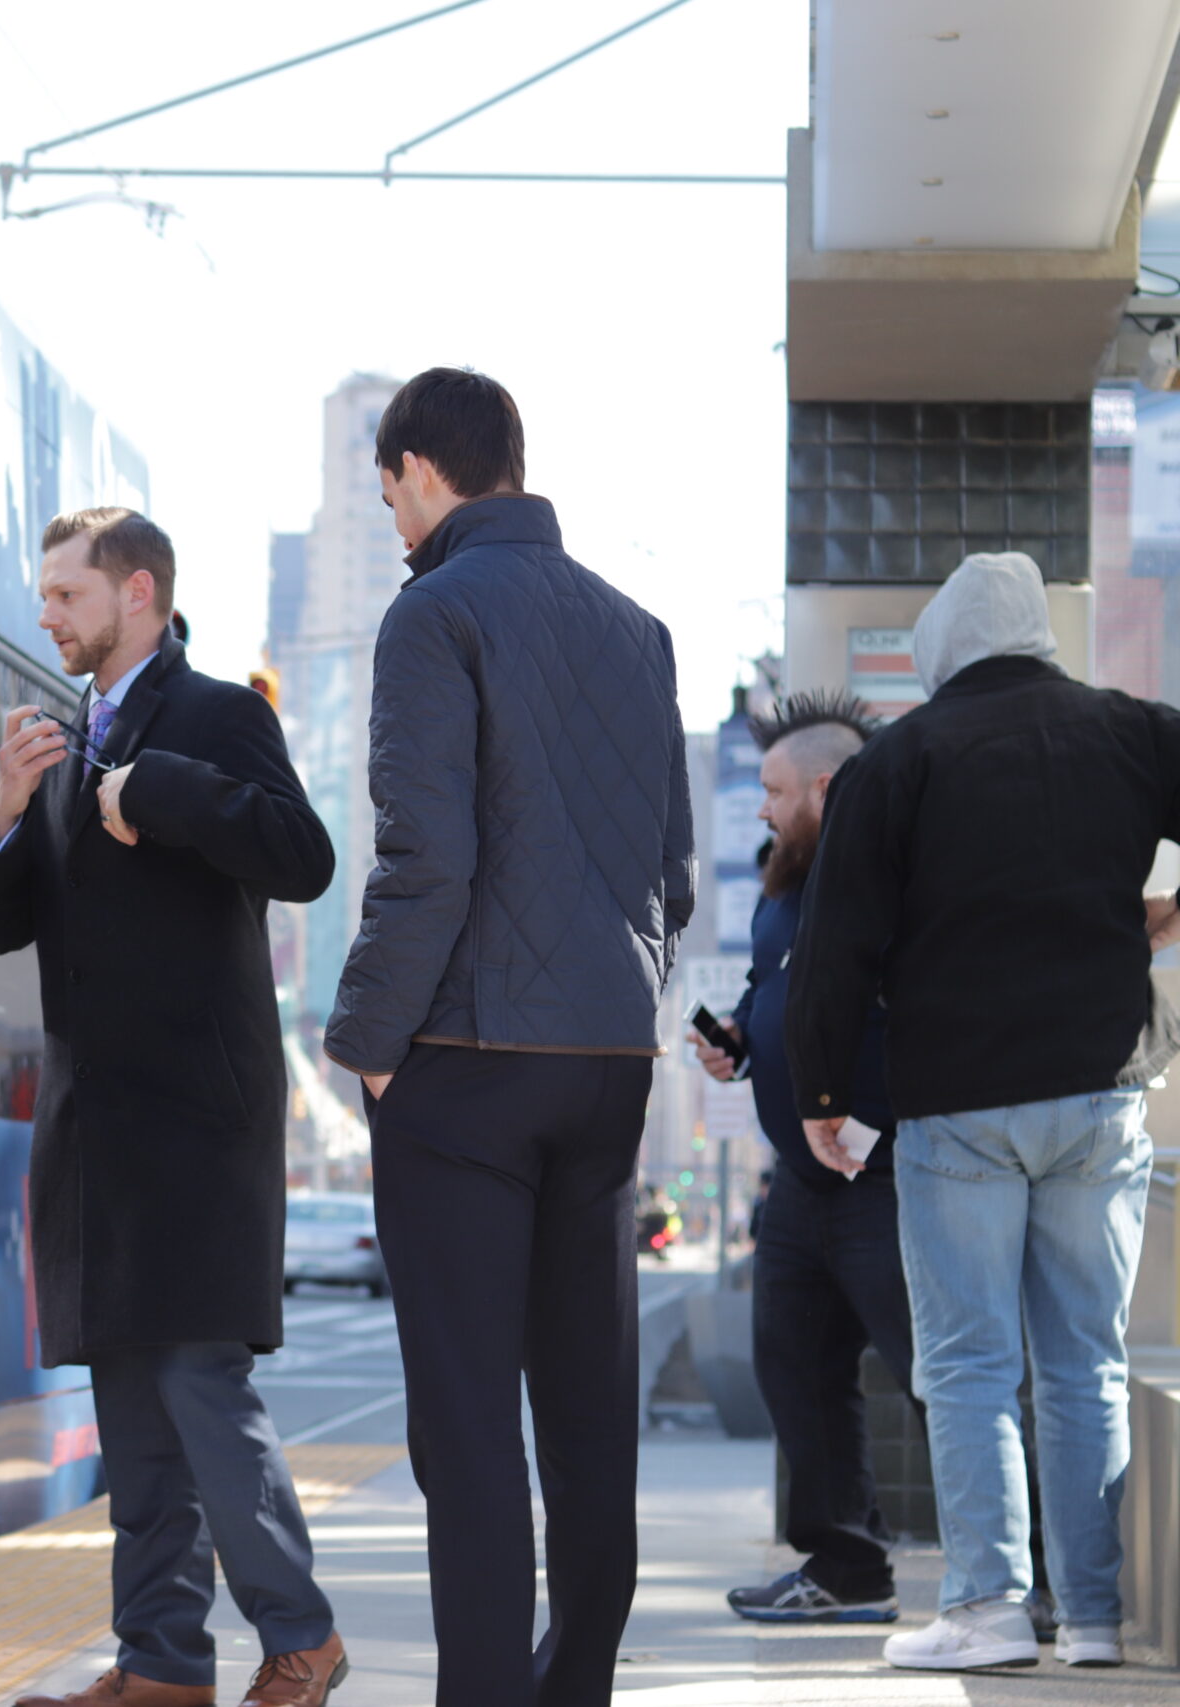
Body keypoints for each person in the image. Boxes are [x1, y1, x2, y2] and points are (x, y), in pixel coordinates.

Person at [321, 368, 692, 1707]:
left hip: (466, 1064)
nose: (396, 517)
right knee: (587, 1402)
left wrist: (364, 1036)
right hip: (605, 1066)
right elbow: (674, 875)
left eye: (391, 491)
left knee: (470, 1424)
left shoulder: (434, 613)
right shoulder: (638, 629)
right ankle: (571, 1681)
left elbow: (429, 858)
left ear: (422, 469)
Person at [0, 507, 346, 1707]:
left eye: (65, 595)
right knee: (132, 1408)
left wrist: (157, 792)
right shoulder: (66, 738)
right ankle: (161, 1665)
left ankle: (302, 1634)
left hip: (196, 1122)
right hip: (96, 1136)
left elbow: (301, 855)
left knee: (198, 1389)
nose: (45, 615)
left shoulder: (220, 716)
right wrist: (9, 812)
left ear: (137, 594)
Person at [788, 551, 1180, 1673]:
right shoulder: (1136, 733)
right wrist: (1163, 913)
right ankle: (1095, 1617)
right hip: (1101, 1093)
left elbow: (836, 947)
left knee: (965, 1365)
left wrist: (824, 1094)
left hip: (958, 1105)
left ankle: (990, 1607)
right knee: (1083, 1365)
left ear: (940, 648)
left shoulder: (899, 760)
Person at [691, 691, 915, 1624]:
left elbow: (922, 1017)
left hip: (884, 1179)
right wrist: (741, 1038)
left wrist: (867, 1120)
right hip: (799, 1184)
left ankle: (1029, 1581)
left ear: (827, 787)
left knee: (936, 1376)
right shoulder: (782, 883)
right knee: (794, 1364)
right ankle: (845, 1567)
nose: (763, 806)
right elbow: (769, 987)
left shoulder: (901, 881)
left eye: (777, 789)